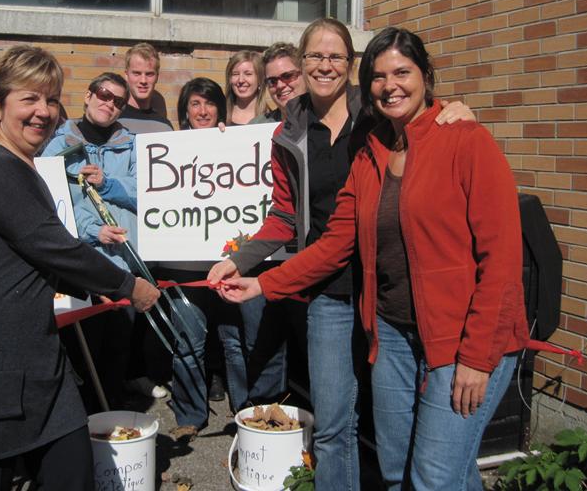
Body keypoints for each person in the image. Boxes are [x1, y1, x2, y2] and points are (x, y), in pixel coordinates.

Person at [219, 27, 527, 491]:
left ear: (425, 75)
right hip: (389, 328)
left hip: (455, 333)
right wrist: (261, 280)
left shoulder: (462, 139)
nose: (390, 85)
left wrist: (479, 357)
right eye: (380, 77)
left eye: (402, 72)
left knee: (435, 475)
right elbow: (334, 241)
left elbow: (501, 259)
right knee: (398, 469)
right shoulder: (371, 153)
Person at [0, 45, 160, 491]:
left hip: (26, 345)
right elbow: (52, 245)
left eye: (51, 99)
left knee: (70, 466)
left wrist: (91, 286)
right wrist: (128, 286)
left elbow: (30, 252)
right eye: (29, 98)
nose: (43, 111)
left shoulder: (15, 161)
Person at [43, 72, 167, 403]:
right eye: (103, 94)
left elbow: (149, 193)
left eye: (118, 101)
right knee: (83, 351)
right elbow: (55, 205)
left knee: (118, 349)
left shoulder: (132, 145)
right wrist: (93, 230)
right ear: (88, 95)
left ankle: (114, 417)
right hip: (82, 265)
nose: (109, 103)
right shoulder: (58, 145)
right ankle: (84, 419)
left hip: (125, 264)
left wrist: (108, 183)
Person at [158, 77, 252, 443]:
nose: (202, 111)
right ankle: (190, 416)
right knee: (187, 344)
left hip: (229, 265)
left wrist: (231, 143)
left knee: (235, 343)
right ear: (185, 110)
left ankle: (246, 412)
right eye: (195, 104)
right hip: (183, 269)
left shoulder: (235, 141)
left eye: (209, 103)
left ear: (219, 108)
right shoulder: (168, 148)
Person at [119, 42, 173, 133]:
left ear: (157, 77)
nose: (143, 81)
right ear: (126, 75)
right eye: (137, 73)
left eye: (149, 74)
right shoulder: (112, 119)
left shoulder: (164, 127)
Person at [225, 50, 268, 125]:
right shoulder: (219, 115)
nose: (241, 80)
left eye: (248, 74)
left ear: (260, 79)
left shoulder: (271, 119)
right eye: (235, 74)